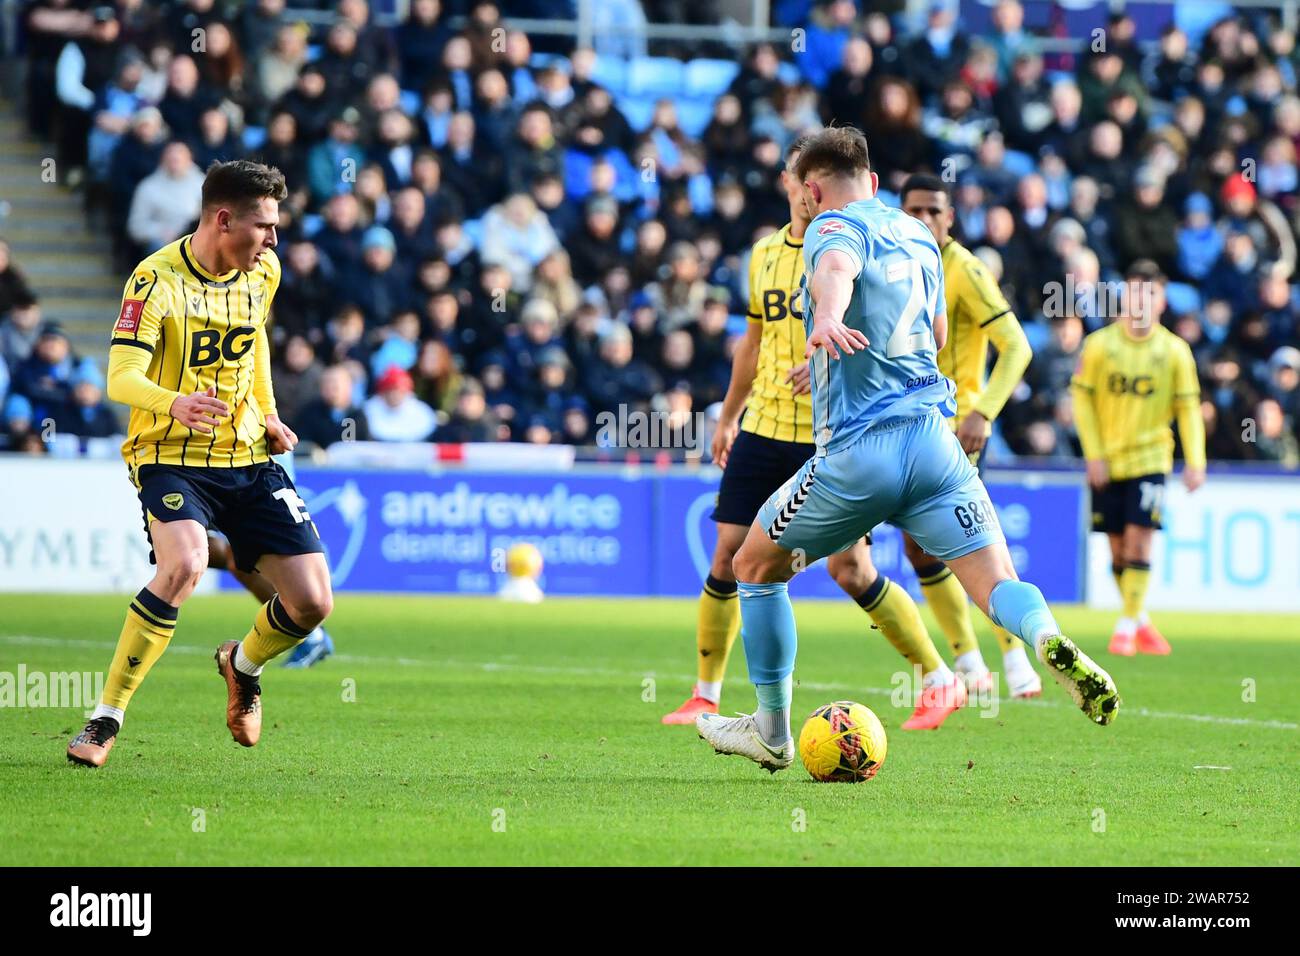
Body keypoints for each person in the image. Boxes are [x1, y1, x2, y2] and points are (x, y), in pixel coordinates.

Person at [696, 128, 1120, 773]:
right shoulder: (921, 235)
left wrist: (831, 317)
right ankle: (1047, 638)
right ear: (873, 182)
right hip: (935, 445)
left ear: (811, 192)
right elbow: (938, 329)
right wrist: (844, 353)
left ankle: (772, 731)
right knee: (996, 583)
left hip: (861, 454)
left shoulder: (827, 229)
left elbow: (836, 268)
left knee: (754, 567)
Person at [663, 139, 966, 733]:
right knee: (729, 555)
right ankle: (705, 692)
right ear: (792, 185)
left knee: (849, 571)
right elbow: (750, 343)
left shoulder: (863, 243)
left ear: (817, 187)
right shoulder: (764, 255)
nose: (802, 191)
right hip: (764, 426)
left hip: (837, 433)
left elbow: (894, 330)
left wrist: (831, 361)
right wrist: (728, 416)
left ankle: (937, 676)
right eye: (794, 179)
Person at [67, 160, 334, 768]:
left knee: (313, 603)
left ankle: (241, 665)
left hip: (245, 453)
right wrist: (174, 403)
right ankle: (107, 717)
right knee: (185, 562)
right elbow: (120, 377)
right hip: (168, 454)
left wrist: (266, 412)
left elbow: (255, 339)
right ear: (222, 219)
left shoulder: (263, 271)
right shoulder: (153, 280)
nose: (273, 239)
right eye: (263, 225)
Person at [899, 174, 1041, 698]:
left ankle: (1014, 659)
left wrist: (983, 412)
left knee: (971, 543)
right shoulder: (897, 262)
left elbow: (1017, 347)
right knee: (918, 550)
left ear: (950, 217)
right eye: (913, 210)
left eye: (934, 211)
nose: (923, 220)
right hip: (905, 428)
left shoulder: (965, 269)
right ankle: (968, 661)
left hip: (954, 432)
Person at [1070, 260, 1206, 656]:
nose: (1141, 301)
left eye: (1150, 293)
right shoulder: (1099, 347)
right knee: (1118, 550)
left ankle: (1126, 627)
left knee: (1140, 542)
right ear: (1123, 298)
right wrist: (1093, 455)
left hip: (1151, 460)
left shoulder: (1176, 352)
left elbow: (1189, 409)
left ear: (1162, 301)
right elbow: (1081, 399)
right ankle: (1140, 618)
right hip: (1108, 462)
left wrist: (1195, 460)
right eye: (1135, 293)